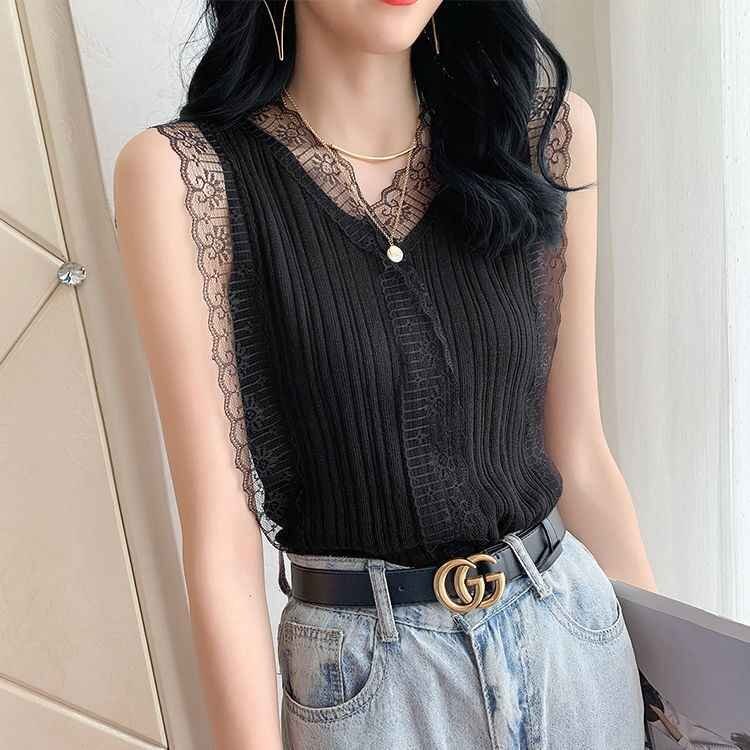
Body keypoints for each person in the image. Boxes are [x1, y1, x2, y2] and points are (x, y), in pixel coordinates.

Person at [114, 1, 657, 748]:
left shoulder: (542, 135)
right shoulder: (185, 178)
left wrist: (683, 700)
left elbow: (581, 453)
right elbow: (221, 544)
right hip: (369, 689)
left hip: (575, 646)